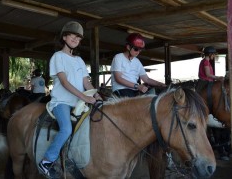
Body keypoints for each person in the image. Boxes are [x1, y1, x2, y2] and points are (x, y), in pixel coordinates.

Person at [38, 21, 102, 178]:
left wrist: (96, 94)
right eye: (73, 35)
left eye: (79, 37)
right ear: (65, 37)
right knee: (66, 129)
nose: (76, 39)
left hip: (79, 103)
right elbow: (65, 82)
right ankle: (46, 161)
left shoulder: (79, 60)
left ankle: (78, 158)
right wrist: (84, 96)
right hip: (62, 102)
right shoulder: (57, 57)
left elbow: (86, 82)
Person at [196, 46, 230, 161]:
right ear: (209, 54)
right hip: (204, 84)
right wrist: (218, 78)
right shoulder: (205, 62)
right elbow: (208, 75)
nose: (214, 56)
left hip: (208, 83)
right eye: (214, 54)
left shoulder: (207, 61)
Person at [110, 33, 166, 97]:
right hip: (121, 89)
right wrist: (137, 86)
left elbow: (146, 79)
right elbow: (118, 78)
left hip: (134, 90)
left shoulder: (137, 61)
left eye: (140, 50)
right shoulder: (118, 57)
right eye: (136, 49)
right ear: (128, 47)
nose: (138, 52)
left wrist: (160, 84)